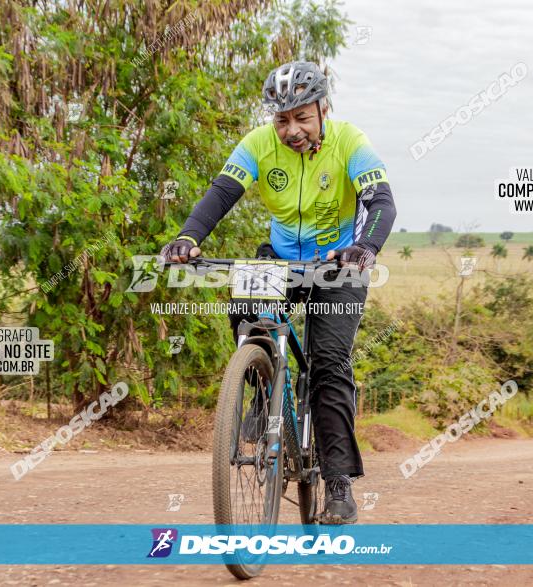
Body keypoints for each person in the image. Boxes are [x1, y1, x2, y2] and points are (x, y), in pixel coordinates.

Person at [161, 61, 396, 525]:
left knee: (329, 363)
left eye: (302, 118)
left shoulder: (351, 141)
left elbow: (381, 202)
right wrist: (189, 237)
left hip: (337, 266)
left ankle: (339, 486)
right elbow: (222, 193)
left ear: (324, 109)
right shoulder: (258, 144)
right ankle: (258, 383)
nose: (291, 130)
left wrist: (364, 247)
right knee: (246, 304)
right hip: (282, 260)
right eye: (281, 119)